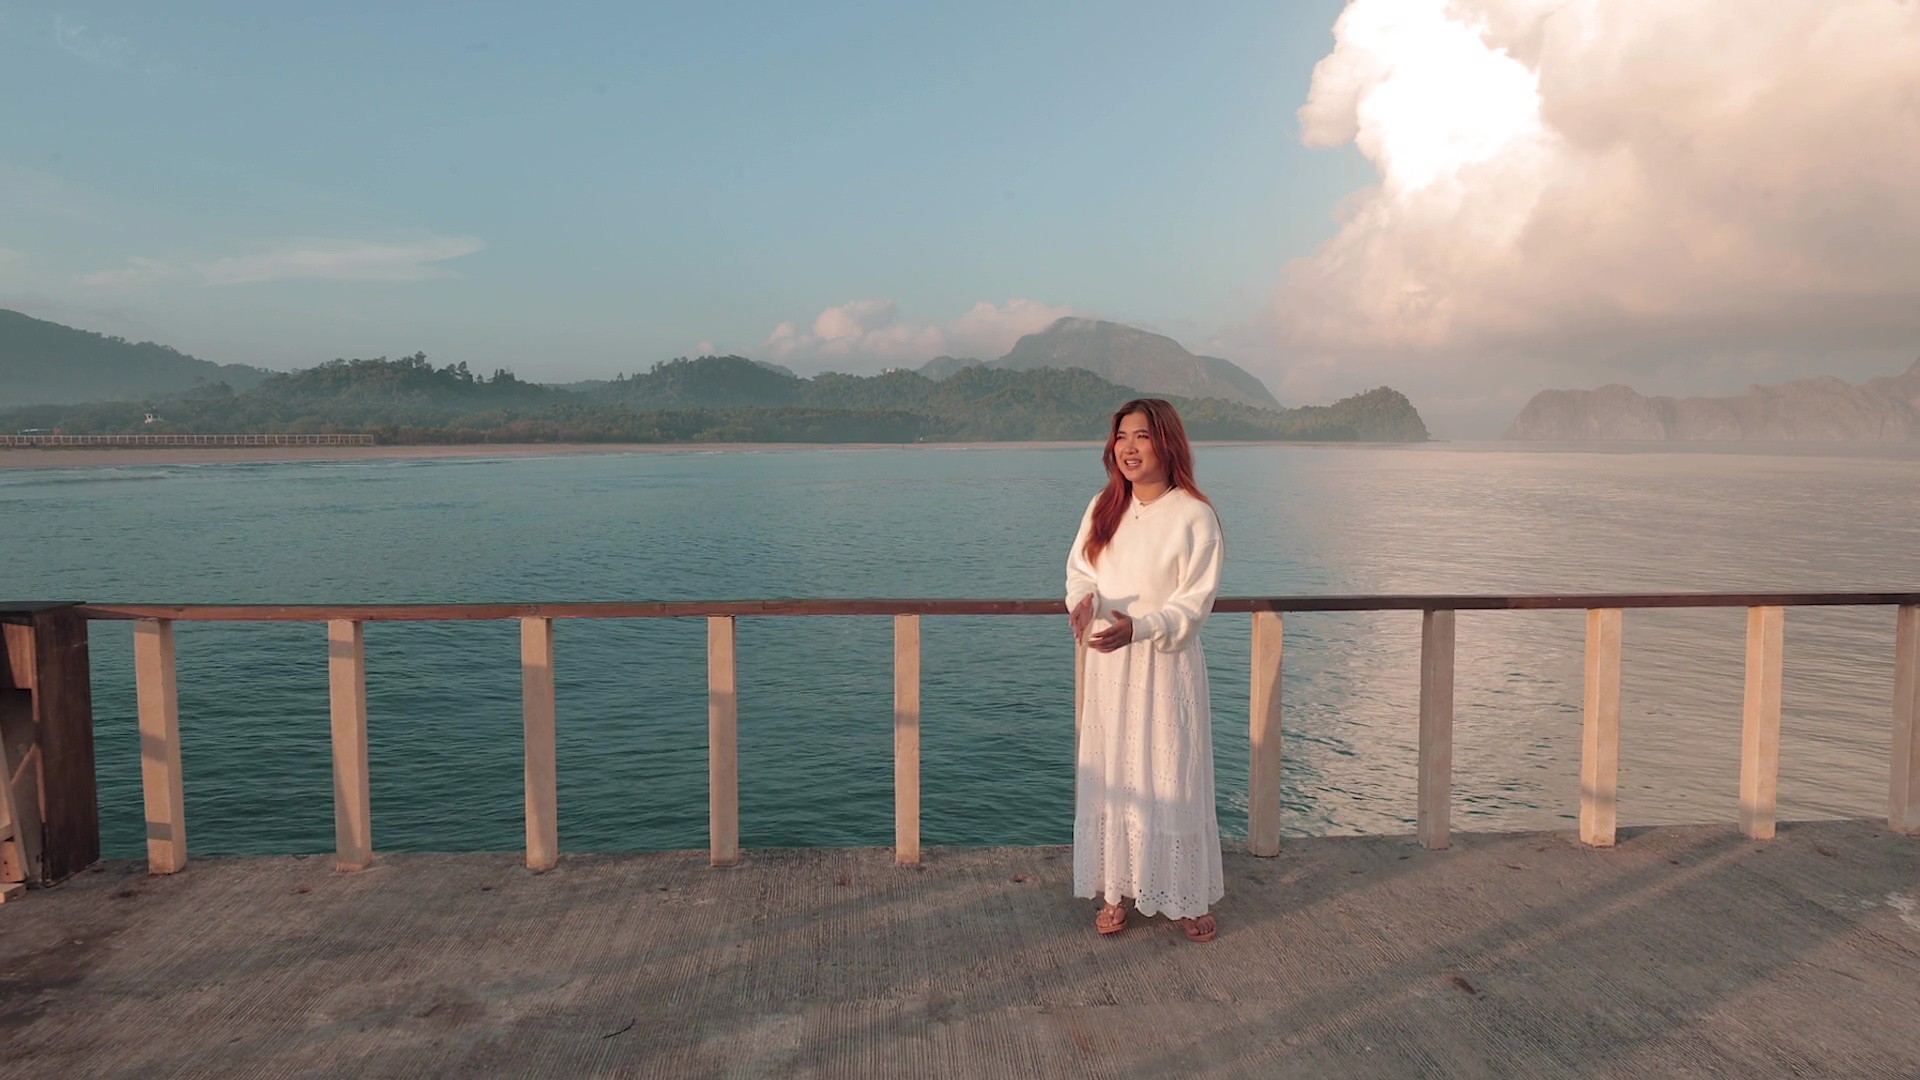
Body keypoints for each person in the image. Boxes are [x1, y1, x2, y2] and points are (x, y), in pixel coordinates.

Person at [1066, 397, 1225, 942]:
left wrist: (1142, 627)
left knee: (1171, 774)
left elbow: (1194, 602)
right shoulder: (1104, 506)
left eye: (1141, 436)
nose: (1128, 448)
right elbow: (1081, 570)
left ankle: (1185, 895)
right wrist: (1082, 602)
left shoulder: (1194, 516)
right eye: (1121, 437)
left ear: (1167, 443)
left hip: (1165, 663)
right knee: (1113, 773)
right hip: (1110, 662)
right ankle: (1115, 890)